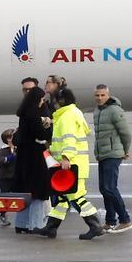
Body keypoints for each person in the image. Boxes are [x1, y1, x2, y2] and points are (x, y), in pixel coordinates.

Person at [34, 88, 103, 240]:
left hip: (72, 164)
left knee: (76, 197)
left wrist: (66, 157)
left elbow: (69, 139)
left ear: (60, 102)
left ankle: (95, 225)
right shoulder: (72, 113)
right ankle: (50, 228)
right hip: (73, 164)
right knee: (62, 198)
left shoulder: (67, 117)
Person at [93, 84, 132, 233]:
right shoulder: (97, 111)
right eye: (97, 95)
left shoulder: (115, 111)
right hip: (102, 154)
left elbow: (126, 133)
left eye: (103, 95)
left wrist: (125, 150)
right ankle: (110, 221)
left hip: (113, 154)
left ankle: (125, 220)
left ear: (108, 95)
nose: (100, 98)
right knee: (104, 189)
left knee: (110, 188)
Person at [12, 86, 51, 234]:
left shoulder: (23, 114)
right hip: (35, 156)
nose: (42, 102)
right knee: (38, 192)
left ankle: (21, 223)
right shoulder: (34, 114)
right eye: (41, 99)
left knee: (25, 191)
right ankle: (36, 224)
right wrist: (48, 126)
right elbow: (41, 134)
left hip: (24, 156)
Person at [0, 128, 16, 227]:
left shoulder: (17, 148)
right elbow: (1, 160)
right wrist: (11, 157)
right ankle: (2, 215)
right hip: (5, 177)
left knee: (21, 195)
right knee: (4, 196)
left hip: (16, 177)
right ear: (8, 139)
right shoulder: (3, 150)